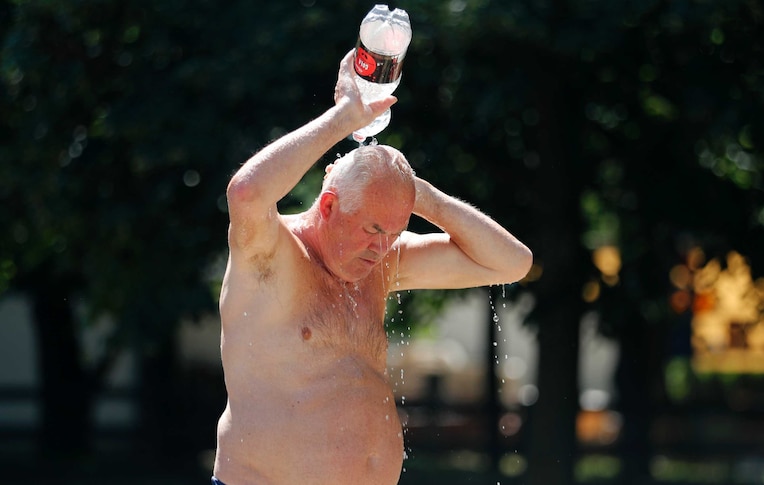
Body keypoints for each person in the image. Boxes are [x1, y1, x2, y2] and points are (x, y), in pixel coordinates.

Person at [212, 49, 533, 485]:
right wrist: (344, 117)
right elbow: (247, 193)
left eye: (394, 231)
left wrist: (421, 197)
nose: (381, 247)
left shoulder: (382, 261)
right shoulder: (270, 254)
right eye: (372, 228)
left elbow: (512, 263)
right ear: (328, 205)